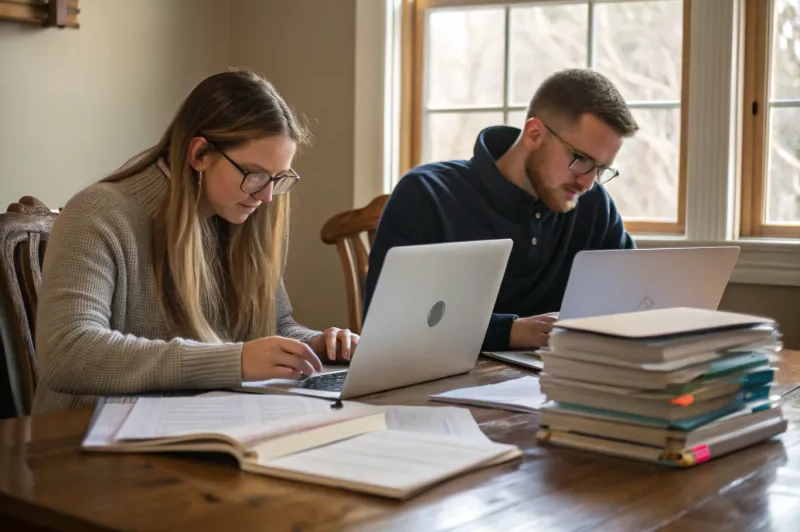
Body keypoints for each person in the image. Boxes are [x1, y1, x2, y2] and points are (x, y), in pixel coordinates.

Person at [32, 70, 358, 414]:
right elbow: (67, 352)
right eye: (255, 174)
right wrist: (234, 361)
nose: (266, 197)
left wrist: (316, 345)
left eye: (278, 179)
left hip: (196, 425)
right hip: (80, 440)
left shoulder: (240, 217)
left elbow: (277, 326)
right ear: (199, 153)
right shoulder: (99, 213)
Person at [365, 68, 638, 352]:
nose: (587, 182)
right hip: (439, 387)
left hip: (557, 383)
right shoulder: (427, 194)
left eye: (601, 169)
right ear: (534, 134)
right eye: (580, 159)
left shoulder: (594, 206)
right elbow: (388, 323)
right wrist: (508, 332)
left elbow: (638, 296)